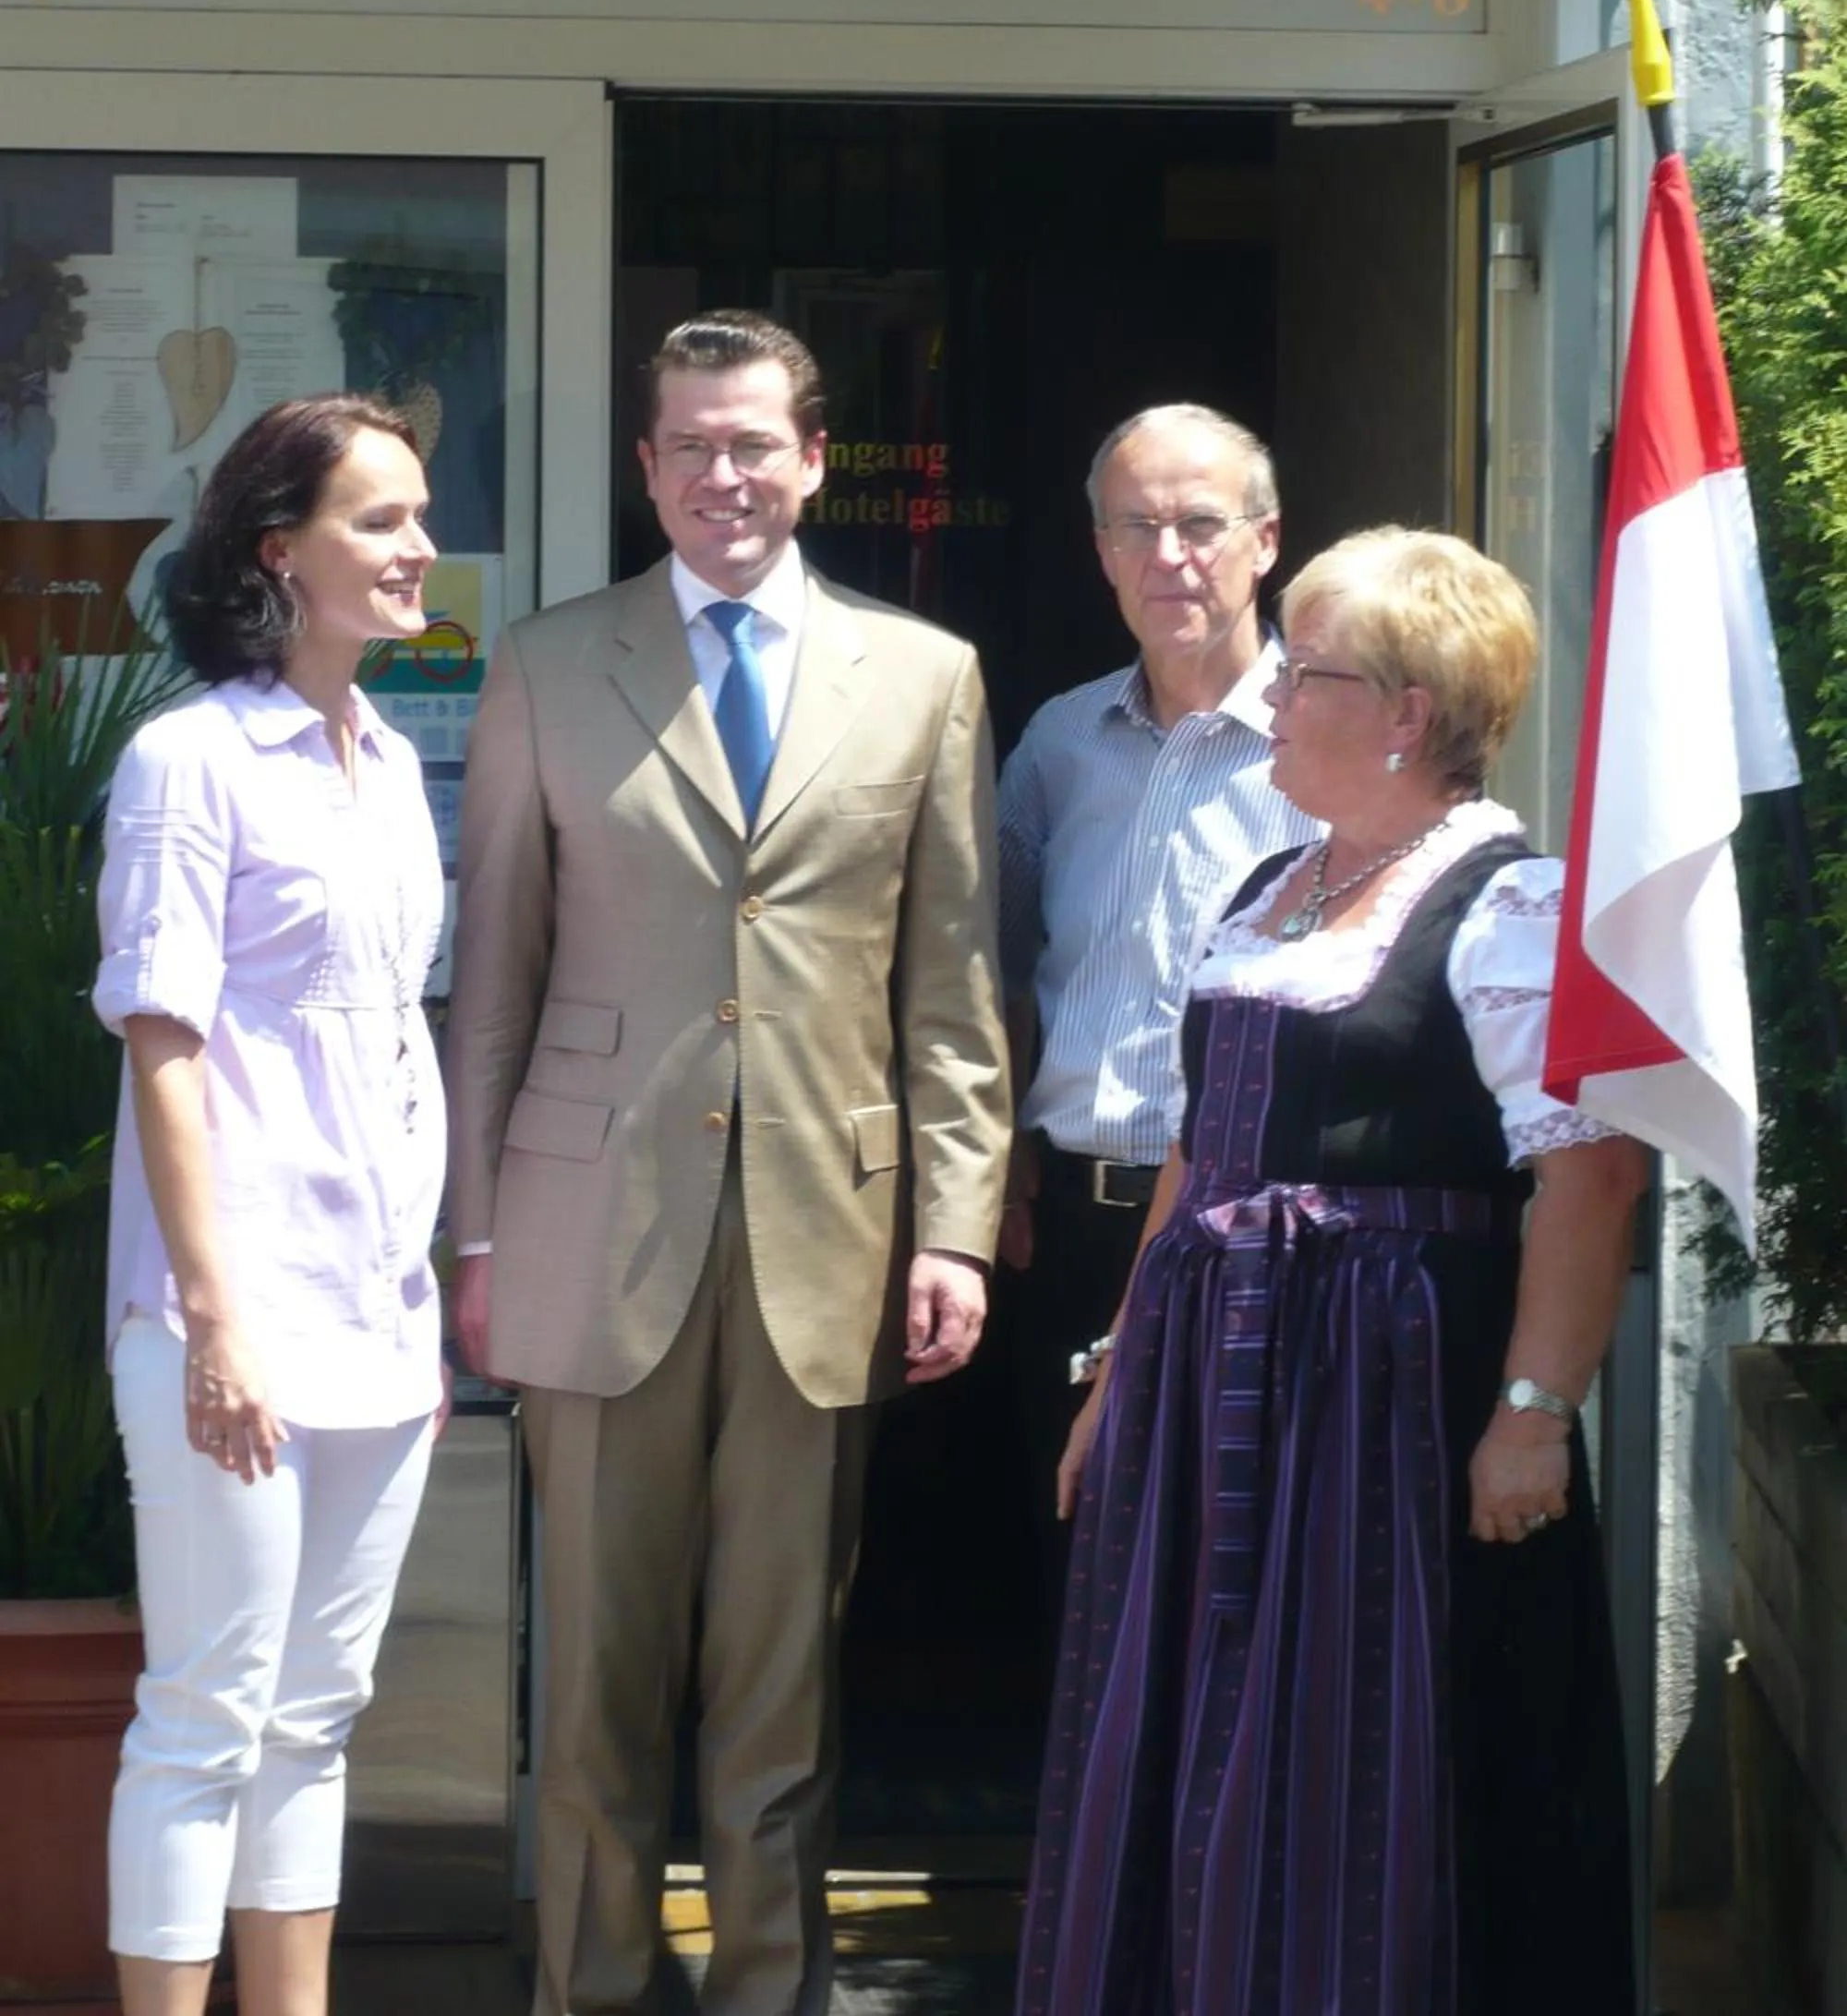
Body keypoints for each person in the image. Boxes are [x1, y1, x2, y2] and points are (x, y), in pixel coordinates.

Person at [444, 308, 1010, 2016]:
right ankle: (595, 1992)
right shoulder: (550, 662)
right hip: (587, 1232)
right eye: (688, 445)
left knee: (784, 1692)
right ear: (646, 467)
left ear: (815, 459)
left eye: (752, 441)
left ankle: (774, 1991)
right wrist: (478, 1239)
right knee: (596, 1691)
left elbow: (953, 987)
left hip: (828, 1237)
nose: (722, 475)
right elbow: (497, 983)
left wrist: (956, 1230)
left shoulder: (925, 675)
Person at [1018, 526, 1650, 2016]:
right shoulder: (1271, 888)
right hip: (1216, 1385)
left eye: (1308, 674)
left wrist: (1534, 1412)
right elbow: (1199, 1154)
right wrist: (1119, 1374)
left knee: (1360, 1726)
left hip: (1385, 1396)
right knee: (1188, 1714)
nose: (1276, 699)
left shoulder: (1509, 904)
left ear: (1408, 712)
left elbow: (1593, 1175)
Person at [93, 394, 446, 2016]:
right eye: (379, 520)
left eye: (419, 514)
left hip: (377, 1312)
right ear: (277, 548)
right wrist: (215, 1320)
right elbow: (163, 1048)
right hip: (230, 1314)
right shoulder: (190, 758)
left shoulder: (390, 760)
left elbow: (389, 1043)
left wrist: (418, 1291)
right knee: (206, 1714)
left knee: (317, 1715)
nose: (417, 547)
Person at [996, 405, 1310, 1638]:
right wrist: (1001, 1169)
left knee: (1242, 1576)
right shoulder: (1058, 743)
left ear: (1266, 540)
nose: (1169, 556)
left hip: (1259, 1224)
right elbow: (994, 968)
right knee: (1078, 1569)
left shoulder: (1333, 739)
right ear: (1101, 552)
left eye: (1199, 524)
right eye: (1136, 527)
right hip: (1077, 1222)